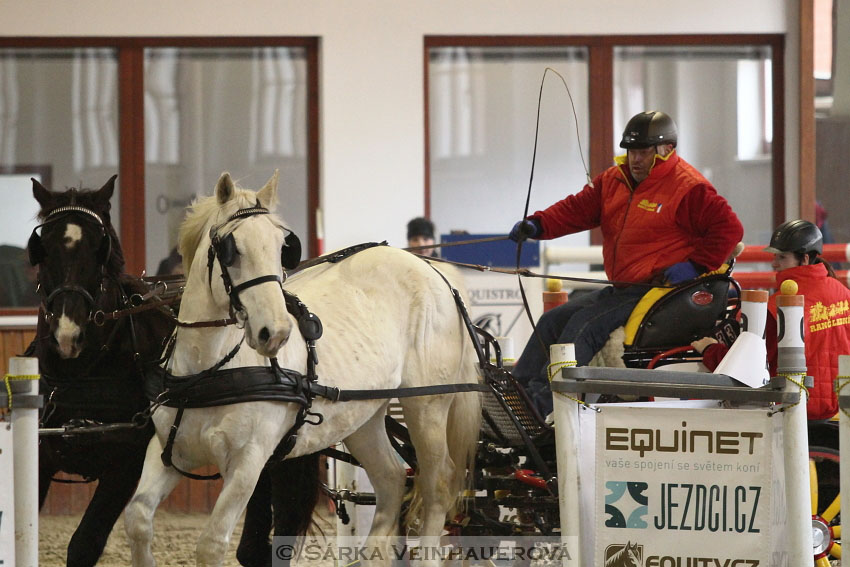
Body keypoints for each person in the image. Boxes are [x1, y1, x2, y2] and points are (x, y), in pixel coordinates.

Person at [509, 110, 744, 416]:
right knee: (551, 321)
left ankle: (538, 406)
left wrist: (696, 266)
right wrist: (538, 225)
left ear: (666, 150)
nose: (635, 159)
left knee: (584, 328)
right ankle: (516, 392)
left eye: (643, 152)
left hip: (656, 291)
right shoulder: (614, 180)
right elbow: (576, 210)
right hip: (624, 287)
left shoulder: (688, 187)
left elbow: (729, 229)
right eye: (631, 151)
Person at [693, 220, 850, 421]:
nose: (774, 263)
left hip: (792, 406)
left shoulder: (777, 308)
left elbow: (749, 369)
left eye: (782, 257)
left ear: (804, 259)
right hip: (839, 403)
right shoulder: (843, 293)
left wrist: (710, 350)